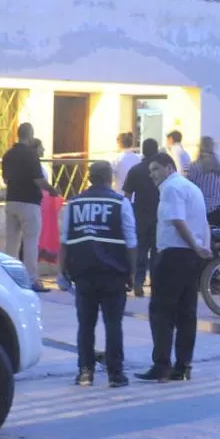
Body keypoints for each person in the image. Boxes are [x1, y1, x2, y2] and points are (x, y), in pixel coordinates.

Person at [59, 161, 138, 388]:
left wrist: (61, 270)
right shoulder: (120, 202)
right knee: (113, 324)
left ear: (90, 178)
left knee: (85, 324)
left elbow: (65, 240)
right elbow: (131, 242)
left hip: (83, 273)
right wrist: (132, 273)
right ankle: (115, 374)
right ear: (109, 178)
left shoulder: (74, 203)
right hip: (113, 273)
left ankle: (85, 372)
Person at [136, 152, 211, 383]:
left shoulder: (171, 188)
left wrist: (196, 247)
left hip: (173, 255)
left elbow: (178, 221)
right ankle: (183, 365)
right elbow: (203, 222)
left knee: (161, 312)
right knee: (186, 312)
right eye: (150, 172)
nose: (153, 175)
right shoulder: (191, 188)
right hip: (190, 257)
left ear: (169, 167)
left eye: (156, 169)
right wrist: (201, 248)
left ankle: (162, 365)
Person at [2, 122, 59, 292]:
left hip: (11, 201)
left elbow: (6, 179)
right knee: (30, 243)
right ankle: (31, 280)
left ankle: (7, 278)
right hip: (29, 202)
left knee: (11, 243)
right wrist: (53, 190)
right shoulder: (31, 156)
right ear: (30, 134)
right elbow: (39, 180)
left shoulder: (8, 154)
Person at [122, 137, 161, 297]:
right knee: (157, 252)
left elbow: (126, 195)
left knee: (141, 251)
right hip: (159, 215)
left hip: (140, 216)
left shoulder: (135, 170)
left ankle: (138, 283)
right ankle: (155, 284)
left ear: (143, 151)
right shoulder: (161, 170)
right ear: (157, 150)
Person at [186, 135, 220, 228]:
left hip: (200, 208)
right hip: (218, 208)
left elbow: (187, 188)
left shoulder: (193, 166)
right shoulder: (219, 166)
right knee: (215, 239)